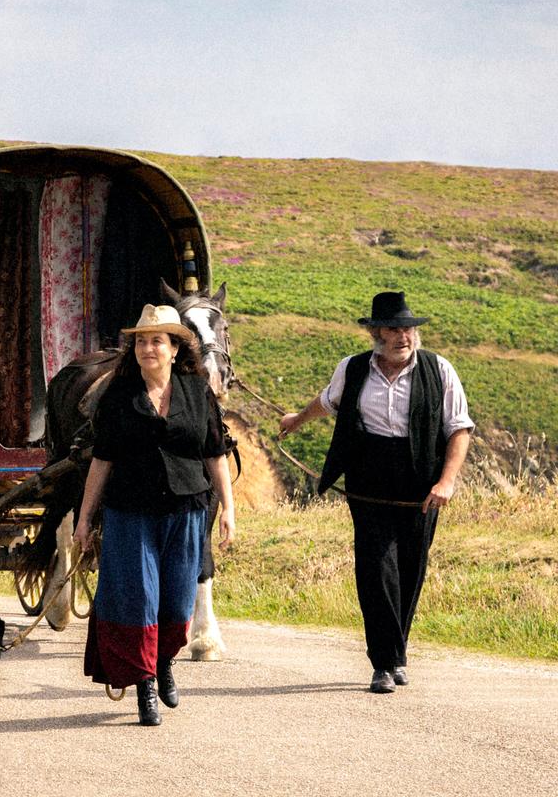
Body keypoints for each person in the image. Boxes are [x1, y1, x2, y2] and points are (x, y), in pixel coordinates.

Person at [279, 291, 473, 694]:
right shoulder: (352, 369)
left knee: (409, 569)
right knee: (374, 567)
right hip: (368, 480)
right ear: (376, 333)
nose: (404, 336)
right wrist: (297, 419)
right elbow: (328, 402)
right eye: (394, 329)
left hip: (421, 481)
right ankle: (383, 663)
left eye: (408, 329)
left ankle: (395, 652)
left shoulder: (439, 370)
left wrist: (447, 480)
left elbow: (459, 428)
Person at [74, 304, 236, 726]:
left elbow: (215, 454)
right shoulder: (118, 397)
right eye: (142, 341)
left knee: (180, 600)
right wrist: (84, 518)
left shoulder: (196, 392)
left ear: (175, 349)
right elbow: (102, 460)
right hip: (130, 511)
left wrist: (229, 509)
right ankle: (145, 683)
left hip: (186, 510)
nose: (148, 348)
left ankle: (165, 661)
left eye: (157, 341)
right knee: (139, 599)